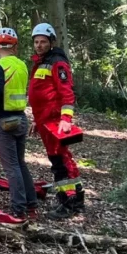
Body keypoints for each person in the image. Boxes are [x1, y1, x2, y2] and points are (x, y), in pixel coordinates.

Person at [28, 23, 83, 219]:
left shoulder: (57, 62)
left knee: (60, 161)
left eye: (43, 42)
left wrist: (66, 119)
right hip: (45, 122)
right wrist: (36, 120)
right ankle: (76, 199)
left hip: (55, 123)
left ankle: (68, 203)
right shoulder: (42, 62)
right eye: (36, 42)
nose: (39, 45)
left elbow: (66, 93)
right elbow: (42, 95)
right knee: (61, 159)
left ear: (51, 42)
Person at [0, 27, 37, 220]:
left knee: (11, 167)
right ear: (15, 47)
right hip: (21, 118)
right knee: (20, 163)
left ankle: (19, 209)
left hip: (3, 120)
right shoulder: (22, 65)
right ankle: (32, 205)